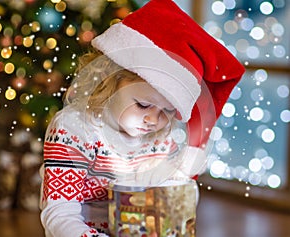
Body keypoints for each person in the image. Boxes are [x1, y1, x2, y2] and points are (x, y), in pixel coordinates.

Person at [39, 0, 245, 236]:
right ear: (109, 80)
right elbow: (59, 213)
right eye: (143, 104)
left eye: (168, 112)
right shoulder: (74, 128)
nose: (153, 120)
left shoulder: (159, 139)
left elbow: (174, 199)